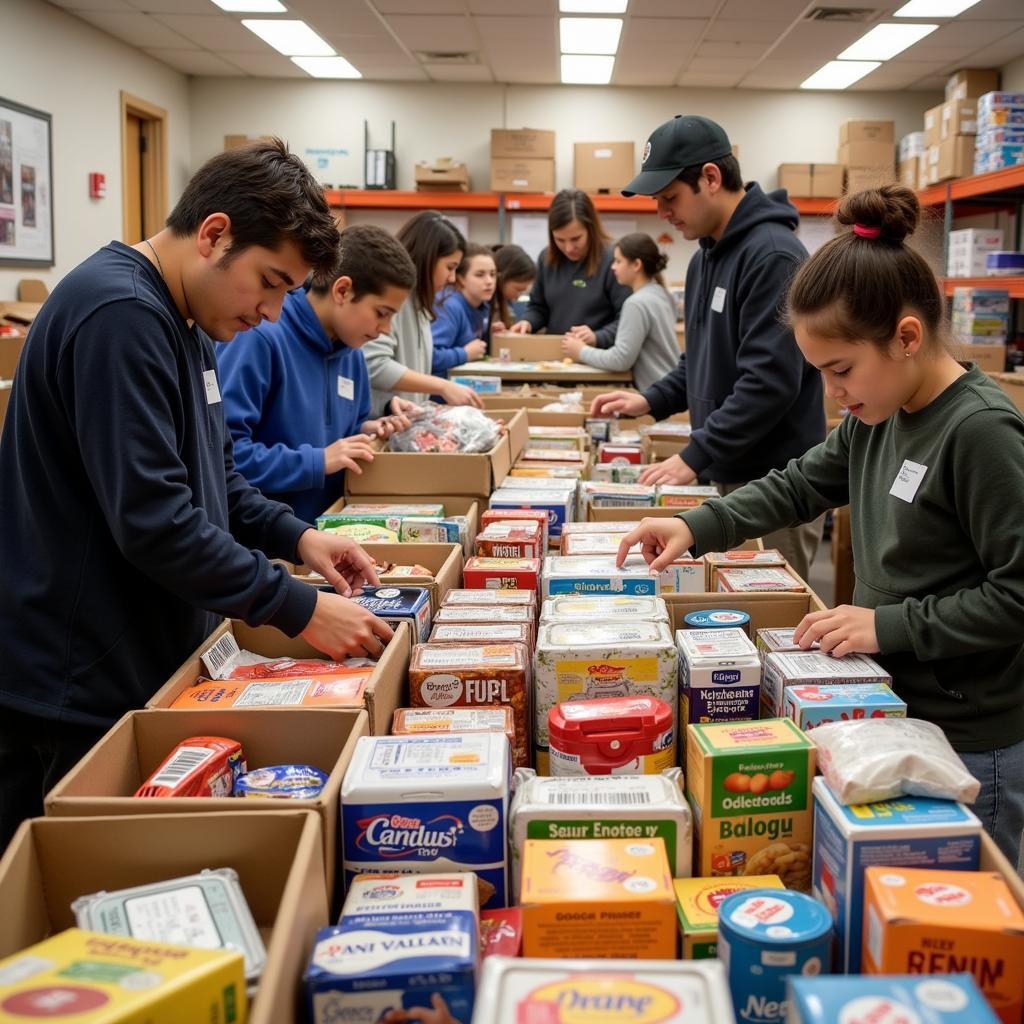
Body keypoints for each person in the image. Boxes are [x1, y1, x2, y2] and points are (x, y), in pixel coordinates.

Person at [0, 139, 394, 852]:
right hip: (72, 684)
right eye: (269, 282)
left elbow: (219, 478)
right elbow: (155, 520)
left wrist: (298, 538)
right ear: (214, 234)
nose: (273, 313)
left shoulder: (187, 319)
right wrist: (296, 606)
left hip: (141, 662)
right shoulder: (118, 314)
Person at [617, 184, 1024, 869]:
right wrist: (700, 523)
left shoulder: (980, 433)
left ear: (907, 337)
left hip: (970, 735)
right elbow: (801, 482)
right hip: (892, 705)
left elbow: (1016, 596)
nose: (833, 394)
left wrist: (885, 625)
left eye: (841, 370)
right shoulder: (880, 413)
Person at [591, 115, 824, 581]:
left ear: (711, 178)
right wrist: (651, 399)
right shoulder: (703, 259)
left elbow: (769, 382)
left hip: (777, 483)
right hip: (730, 471)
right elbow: (697, 360)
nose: (662, 212)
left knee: (772, 615)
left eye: (670, 197)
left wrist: (694, 454)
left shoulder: (773, 256)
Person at [217, 224, 420, 523]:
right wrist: (318, 461)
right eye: (382, 313)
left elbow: (346, 430)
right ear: (342, 290)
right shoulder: (259, 337)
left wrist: (368, 432)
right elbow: (225, 459)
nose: (386, 330)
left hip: (332, 530)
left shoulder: (351, 353)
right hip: (267, 542)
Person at [362, 211, 482, 413]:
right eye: (449, 267)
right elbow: (373, 363)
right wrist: (441, 386)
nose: (452, 278)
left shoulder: (421, 303)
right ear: (428, 258)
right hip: (382, 423)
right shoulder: (392, 303)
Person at [509, 189, 629, 349]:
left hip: (597, 360)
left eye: (576, 239)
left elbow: (627, 319)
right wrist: (528, 322)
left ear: (591, 230)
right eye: (559, 239)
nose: (568, 248)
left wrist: (598, 337)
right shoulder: (546, 258)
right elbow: (538, 307)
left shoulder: (612, 261)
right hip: (556, 360)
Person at [562, 232, 680, 392]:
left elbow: (621, 359)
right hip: (671, 386)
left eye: (618, 261)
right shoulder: (661, 293)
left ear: (636, 265)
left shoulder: (636, 303)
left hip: (657, 391)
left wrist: (580, 350)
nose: (613, 267)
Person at [430, 244, 495, 377]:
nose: (489, 281)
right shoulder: (448, 306)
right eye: (479, 275)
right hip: (441, 393)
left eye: (493, 274)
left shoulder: (483, 306)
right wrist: (465, 354)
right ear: (461, 279)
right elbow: (431, 356)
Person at [488, 243, 535, 338]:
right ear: (501, 277)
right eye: (518, 290)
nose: (518, 297)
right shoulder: (485, 303)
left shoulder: (505, 303)